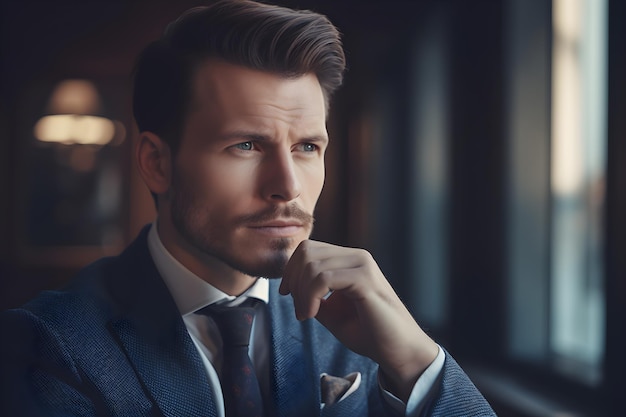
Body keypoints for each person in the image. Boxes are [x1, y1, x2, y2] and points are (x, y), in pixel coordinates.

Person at [0, 1, 496, 416]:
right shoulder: (50, 346)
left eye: (306, 148)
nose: (287, 187)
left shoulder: (356, 318)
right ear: (156, 163)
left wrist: (417, 363)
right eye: (246, 146)